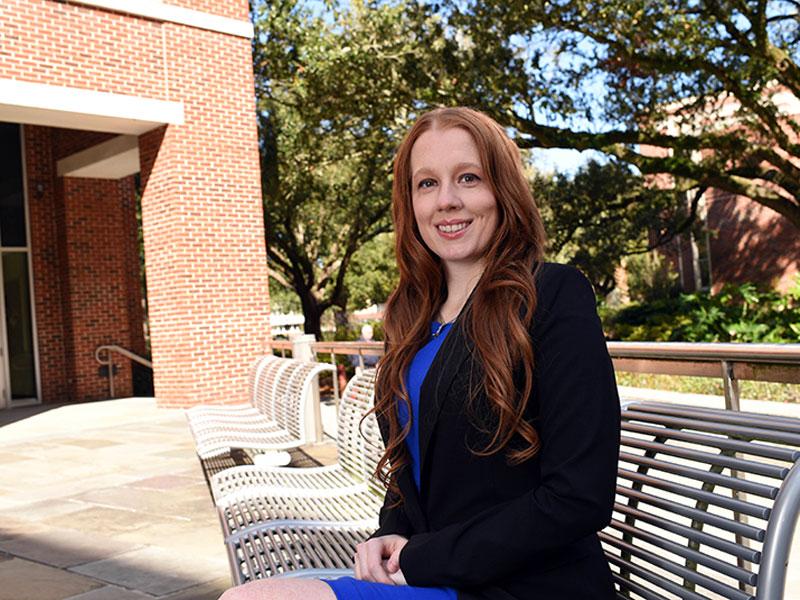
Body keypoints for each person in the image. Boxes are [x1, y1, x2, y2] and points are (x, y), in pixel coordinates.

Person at [218, 106, 620, 600]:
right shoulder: (411, 316)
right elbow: (418, 465)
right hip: (438, 575)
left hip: (524, 585)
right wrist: (390, 531)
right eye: (426, 184)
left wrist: (421, 558)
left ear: (503, 191)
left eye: (468, 178)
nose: (446, 200)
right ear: (410, 202)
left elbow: (579, 497)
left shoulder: (552, 295)